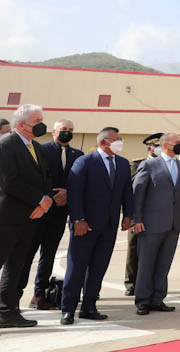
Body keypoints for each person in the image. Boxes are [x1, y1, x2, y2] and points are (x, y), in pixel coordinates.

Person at [61, 126, 134, 324]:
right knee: (76, 268)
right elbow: (74, 192)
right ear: (104, 142)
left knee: (98, 268)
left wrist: (128, 215)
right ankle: (67, 309)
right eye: (116, 139)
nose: (120, 142)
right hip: (85, 225)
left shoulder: (123, 163)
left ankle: (89, 306)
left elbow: (127, 191)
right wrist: (78, 220)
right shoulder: (85, 162)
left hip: (109, 226)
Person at [18, 119, 83, 310]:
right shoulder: (40, 150)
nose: (67, 133)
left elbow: (79, 181)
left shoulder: (77, 155)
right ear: (54, 132)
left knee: (49, 255)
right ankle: (15, 294)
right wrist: (49, 196)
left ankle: (39, 295)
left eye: (71, 130)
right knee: (27, 255)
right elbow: (32, 178)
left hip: (60, 214)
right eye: (63, 130)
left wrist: (67, 194)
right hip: (39, 211)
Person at [0, 104, 52, 328]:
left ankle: (7, 312)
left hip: (30, 217)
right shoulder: (6, 145)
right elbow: (9, 182)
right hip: (7, 217)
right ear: (20, 125)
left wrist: (45, 201)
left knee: (16, 266)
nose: (41, 124)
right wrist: (39, 200)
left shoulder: (36, 147)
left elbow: (45, 178)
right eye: (36, 120)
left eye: (42, 119)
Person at [131, 133, 180, 315]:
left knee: (164, 264)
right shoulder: (149, 165)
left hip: (173, 224)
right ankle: (142, 300)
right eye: (177, 143)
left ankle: (158, 299)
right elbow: (138, 194)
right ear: (165, 145)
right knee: (146, 264)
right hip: (151, 224)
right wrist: (137, 219)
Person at [125, 133, 161, 296]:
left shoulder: (167, 164)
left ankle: (149, 281)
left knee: (155, 250)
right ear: (149, 148)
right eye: (157, 146)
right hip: (139, 213)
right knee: (134, 248)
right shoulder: (136, 164)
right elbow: (134, 189)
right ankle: (131, 282)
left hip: (158, 215)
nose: (160, 149)